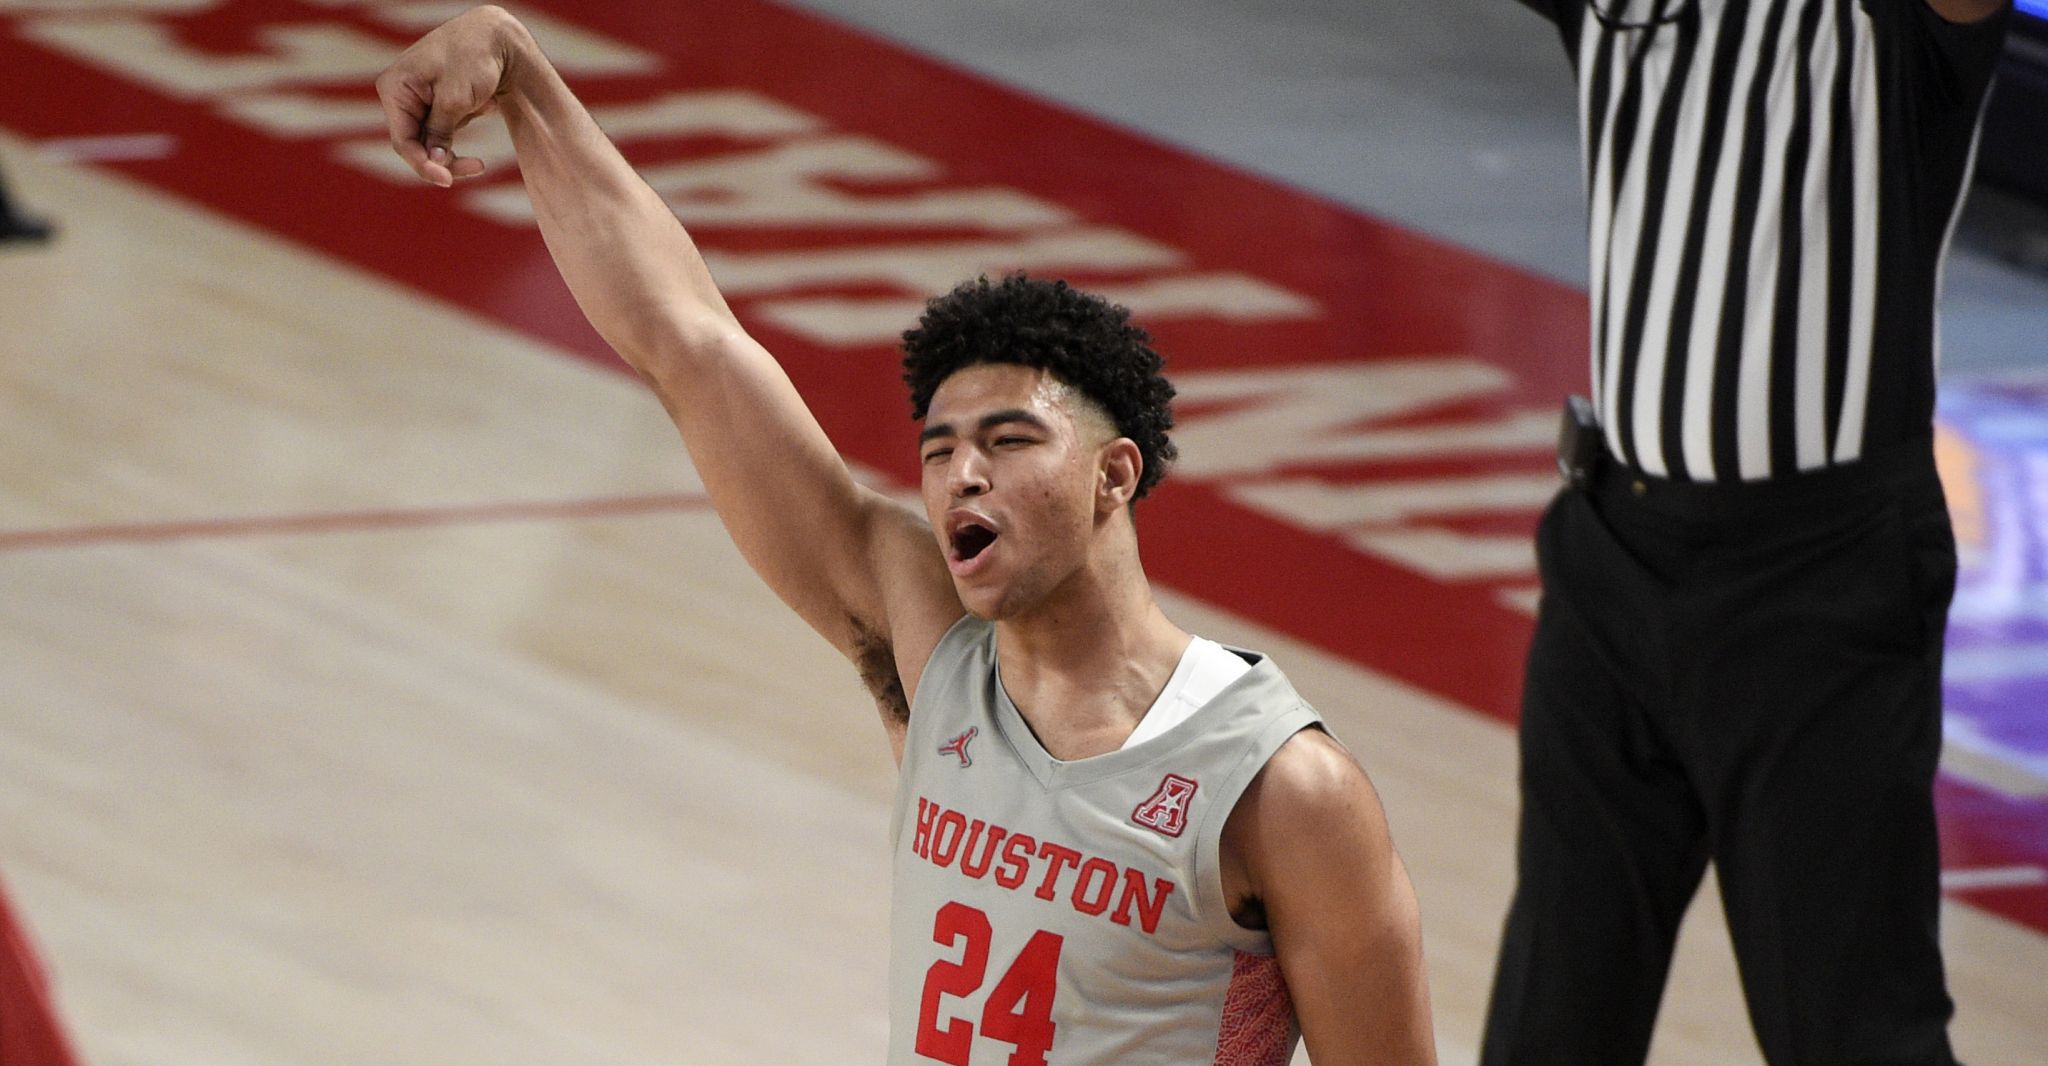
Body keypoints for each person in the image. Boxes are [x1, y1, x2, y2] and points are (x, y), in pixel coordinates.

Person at [376, 7, 1436, 1063]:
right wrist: (521, 73)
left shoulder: (1280, 788)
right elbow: (686, 343)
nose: (960, 472)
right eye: (937, 450)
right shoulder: (934, 660)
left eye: (1008, 439)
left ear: (1115, 474)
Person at [1486, 1, 2011, 1064]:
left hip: (1813, 588)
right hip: (1609, 558)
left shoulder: (1890, 32)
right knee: (1550, 1023)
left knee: (1850, 1029)